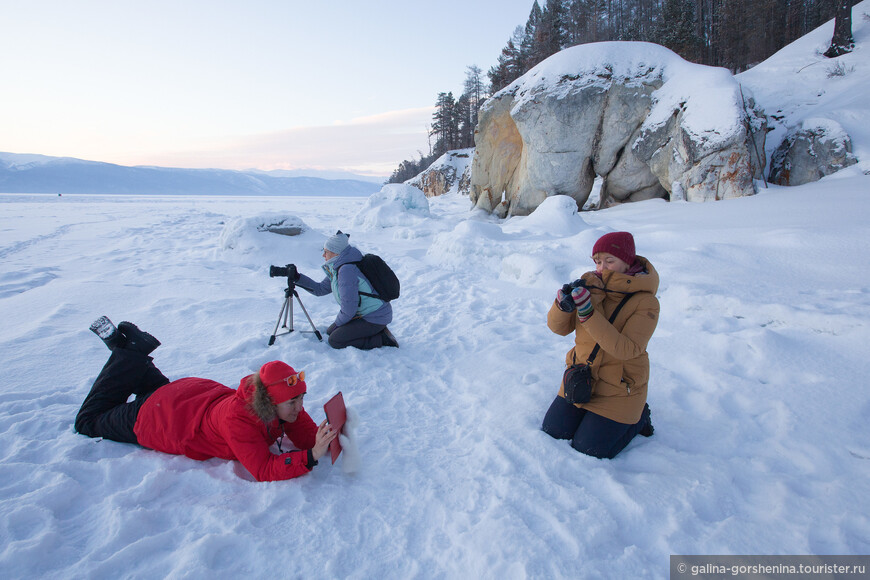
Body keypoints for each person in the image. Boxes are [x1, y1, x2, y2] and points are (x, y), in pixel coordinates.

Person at [75, 316, 338, 482]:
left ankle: (128, 351)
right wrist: (311, 457)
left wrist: (322, 439)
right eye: (293, 403)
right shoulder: (240, 420)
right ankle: (128, 351)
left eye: (301, 399)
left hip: (186, 397)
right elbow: (263, 469)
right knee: (88, 421)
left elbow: (305, 436)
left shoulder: (280, 395)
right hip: (159, 417)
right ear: (269, 402)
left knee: (150, 392)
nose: (299, 408)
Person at [542, 231, 659, 459]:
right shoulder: (590, 285)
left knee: (589, 449)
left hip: (619, 389)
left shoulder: (646, 302)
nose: (601, 268)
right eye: (597, 261)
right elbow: (558, 328)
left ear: (627, 262)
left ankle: (639, 418)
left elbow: (626, 349)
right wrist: (561, 305)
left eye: (609, 261)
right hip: (581, 379)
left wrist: (588, 313)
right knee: (553, 432)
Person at [294, 231, 398, 350]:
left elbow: (349, 308)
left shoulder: (347, 270)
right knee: (330, 332)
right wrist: (297, 278)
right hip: (364, 313)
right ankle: (372, 331)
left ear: (335, 253)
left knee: (335, 340)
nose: (323, 255)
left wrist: (338, 324)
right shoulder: (339, 267)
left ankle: (382, 338)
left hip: (375, 317)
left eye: (326, 251)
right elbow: (320, 289)